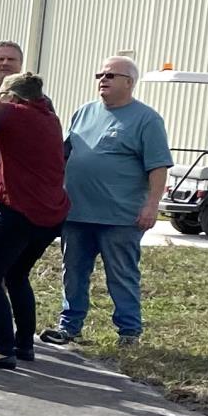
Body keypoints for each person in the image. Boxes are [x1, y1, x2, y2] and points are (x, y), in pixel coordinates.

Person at [44, 55, 171, 347]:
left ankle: (129, 332)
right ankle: (69, 326)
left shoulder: (146, 119)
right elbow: (64, 155)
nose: (103, 79)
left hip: (120, 217)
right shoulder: (84, 112)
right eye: (100, 74)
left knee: (121, 275)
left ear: (129, 82)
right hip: (77, 213)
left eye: (111, 75)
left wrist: (151, 205)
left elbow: (158, 167)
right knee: (73, 273)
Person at [0, 72, 69, 369]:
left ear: (13, 97)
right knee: (15, 275)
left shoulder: (16, 113)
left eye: (3, 96)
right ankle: (24, 344)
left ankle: (3, 348)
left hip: (19, 213)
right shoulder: (49, 117)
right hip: (51, 216)